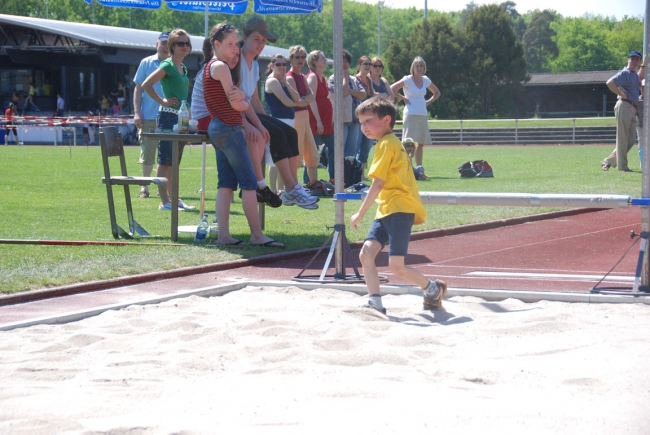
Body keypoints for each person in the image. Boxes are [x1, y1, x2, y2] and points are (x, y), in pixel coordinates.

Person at [350, 97, 447, 314]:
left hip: (399, 209)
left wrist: (360, 212)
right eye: (361, 122)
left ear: (386, 120)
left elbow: (377, 183)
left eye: (368, 120)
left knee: (396, 266)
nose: (363, 126)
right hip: (387, 208)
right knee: (366, 254)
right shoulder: (389, 143)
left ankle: (433, 289)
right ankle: (375, 300)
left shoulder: (387, 144)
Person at [205, 22, 284, 248]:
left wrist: (256, 123)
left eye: (235, 44)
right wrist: (240, 98)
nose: (235, 48)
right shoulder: (220, 67)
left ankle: (224, 235)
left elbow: (242, 101)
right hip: (228, 129)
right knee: (249, 183)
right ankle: (257, 235)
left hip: (219, 127)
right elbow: (239, 103)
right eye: (231, 44)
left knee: (226, 184)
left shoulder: (221, 66)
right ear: (217, 44)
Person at [239, 15, 318, 209]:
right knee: (279, 133)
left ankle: (293, 189)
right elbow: (239, 101)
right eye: (256, 39)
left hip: (252, 111)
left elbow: (255, 100)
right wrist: (255, 124)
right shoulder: (236, 62)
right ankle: (290, 187)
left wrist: (262, 119)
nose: (261, 44)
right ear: (244, 37)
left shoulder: (254, 64)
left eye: (263, 40)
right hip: (238, 114)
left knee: (290, 132)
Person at [141, 28, 195, 211]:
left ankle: (175, 200)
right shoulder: (167, 65)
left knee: (174, 162)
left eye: (187, 43)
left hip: (180, 118)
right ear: (172, 46)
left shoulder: (183, 67)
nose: (185, 46)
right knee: (164, 161)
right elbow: (146, 84)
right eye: (181, 43)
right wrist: (162, 100)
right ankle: (164, 202)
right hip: (167, 118)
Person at [264, 53, 308, 192]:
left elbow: (296, 97)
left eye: (284, 64)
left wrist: (287, 84)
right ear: (272, 65)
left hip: (289, 120)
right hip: (278, 121)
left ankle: (283, 190)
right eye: (278, 64)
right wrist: (299, 102)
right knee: (274, 160)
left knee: (286, 157)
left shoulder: (283, 81)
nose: (282, 67)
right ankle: (273, 190)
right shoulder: (272, 81)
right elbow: (288, 102)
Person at [134, 31, 170, 199]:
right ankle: (144, 188)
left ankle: (162, 187)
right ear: (157, 44)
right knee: (147, 154)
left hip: (170, 118)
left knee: (166, 156)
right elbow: (138, 88)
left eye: (168, 43)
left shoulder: (175, 64)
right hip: (149, 116)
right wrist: (137, 112)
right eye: (163, 43)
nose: (165, 46)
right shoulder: (146, 63)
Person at [391, 56, 441, 168]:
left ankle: (420, 169)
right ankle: (408, 169)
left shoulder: (426, 80)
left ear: (424, 68)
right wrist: (403, 98)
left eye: (421, 66)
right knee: (409, 143)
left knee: (420, 144)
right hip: (410, 114)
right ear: (413, 68)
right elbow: (392, 89)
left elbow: (437, 92)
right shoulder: (407, 79)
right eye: (417, 66)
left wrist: (429, 101)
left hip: (422, 113)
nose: (419, 68)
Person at [601, 50, 643, 172]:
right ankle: (622, 167)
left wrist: (644, 63)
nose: (635, 61)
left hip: (632, 108)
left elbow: (641, 75)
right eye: (633, 58)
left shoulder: (634, 74)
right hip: (624, 105)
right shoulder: (625, 73)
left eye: (637, 59)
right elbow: (610, 82)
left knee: (630, 140)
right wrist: (620, 94)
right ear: (628, 59)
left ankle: (609, 160)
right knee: (623, 138)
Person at [286, 45, 319, 185]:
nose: (300, 59)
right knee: (297, 153)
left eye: (302, 57)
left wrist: (303, 100)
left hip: (305, 115)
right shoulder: (290, 77)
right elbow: (296, 99)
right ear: (291, 59)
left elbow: (311, 96)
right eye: (297, 57)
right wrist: (304, 99)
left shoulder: (302, 76)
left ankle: (314, 183)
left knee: (312, 152)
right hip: (296, 116)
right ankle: (294, 185)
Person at [328, 50, 366, 158]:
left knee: (351, 152)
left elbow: (363, 94)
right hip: (341, 120)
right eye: (342, 61)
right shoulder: (332, 79)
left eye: (346, 61)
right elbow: (342, 93)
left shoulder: (354, 79)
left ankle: (348, 174)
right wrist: (344, 78)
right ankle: (337, 175)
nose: (344, 64)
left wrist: (350, 91)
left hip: (354, 120)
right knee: (340, 151)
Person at [306, 50, 335, 182]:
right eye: (322, 58)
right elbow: (311, 99)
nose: (325, 60)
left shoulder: (322, 77)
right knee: (312, 152)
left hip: (325, 121)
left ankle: (334, 177)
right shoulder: (312, 77)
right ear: (315, 61)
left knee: (334, 147)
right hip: (315, 120)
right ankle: (309, 181)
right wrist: (318, 121)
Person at [355, 55, 375, 181]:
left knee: (366, 147)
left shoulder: (370, 81)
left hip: (370, 118)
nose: (367, 66)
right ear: (359, 66)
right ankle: (355, 173)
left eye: (369, 64)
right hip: (357, 118)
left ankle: (361, 173)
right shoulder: (355, 80)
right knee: (356, 146)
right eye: (365, 64)